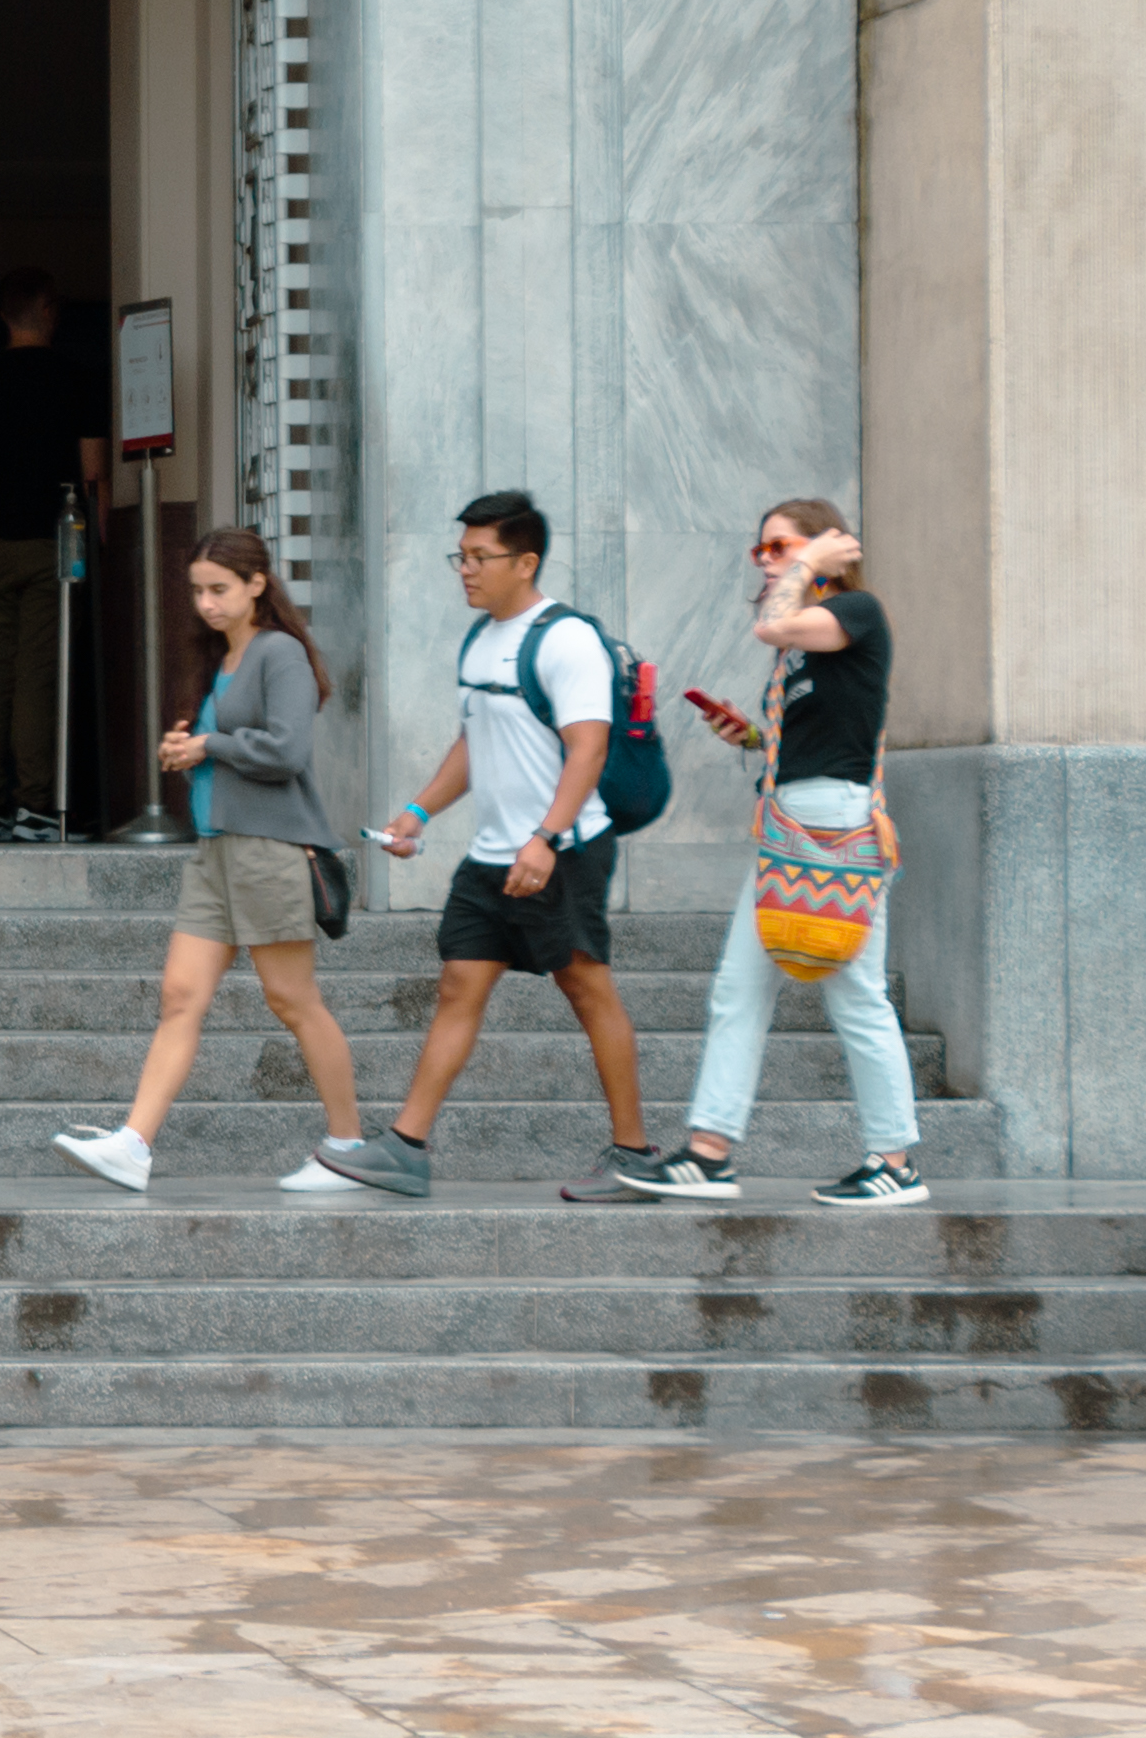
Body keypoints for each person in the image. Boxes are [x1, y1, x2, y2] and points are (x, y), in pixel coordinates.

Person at [319, 490, 653, 1199]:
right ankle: (406, 1147)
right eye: (460, 556)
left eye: (480, 557)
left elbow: (587, 750)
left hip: (562, 850)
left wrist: (545, 839)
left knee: (588, 988)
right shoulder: (481, 639)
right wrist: (418, 811)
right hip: (493, 857)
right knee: (457, 985)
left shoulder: (566, 640)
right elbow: (476, 743)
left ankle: (634, 1153)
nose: (465, 570)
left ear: (525, 561)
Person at [617, 500, 926, 1207]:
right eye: (758, 550)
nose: (765, 559)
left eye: (777, 545)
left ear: (822, 547)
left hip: (834, 824)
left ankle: (895, 1161)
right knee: (739, 987)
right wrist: (754, 740)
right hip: (793, 821)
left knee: (856, 996)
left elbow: (772, 624)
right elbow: (819, 730)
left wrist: (810, 565)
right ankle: (710, 1151)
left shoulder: (856, 612)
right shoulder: (803, 645)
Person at [53, 529, 362, 1194]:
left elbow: (285, 752)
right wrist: (184, 748)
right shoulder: (221, 658)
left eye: (219, 589)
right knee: (180, 997)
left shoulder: (280, 653)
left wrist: (209, 745)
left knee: (294, 999)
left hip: (270, 850)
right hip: (217, 849)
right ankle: (133, 1144)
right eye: (197, 590)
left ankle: (348, 1144)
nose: (206, 603)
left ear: (258, 585)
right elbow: (225, 748)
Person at [0, 266, 108, 840]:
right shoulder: (76, 379)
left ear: (3, 315)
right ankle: (35, 805)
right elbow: (92, 476)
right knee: (39, 674)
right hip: (53, 545)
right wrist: (99, 545)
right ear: (49, 309)